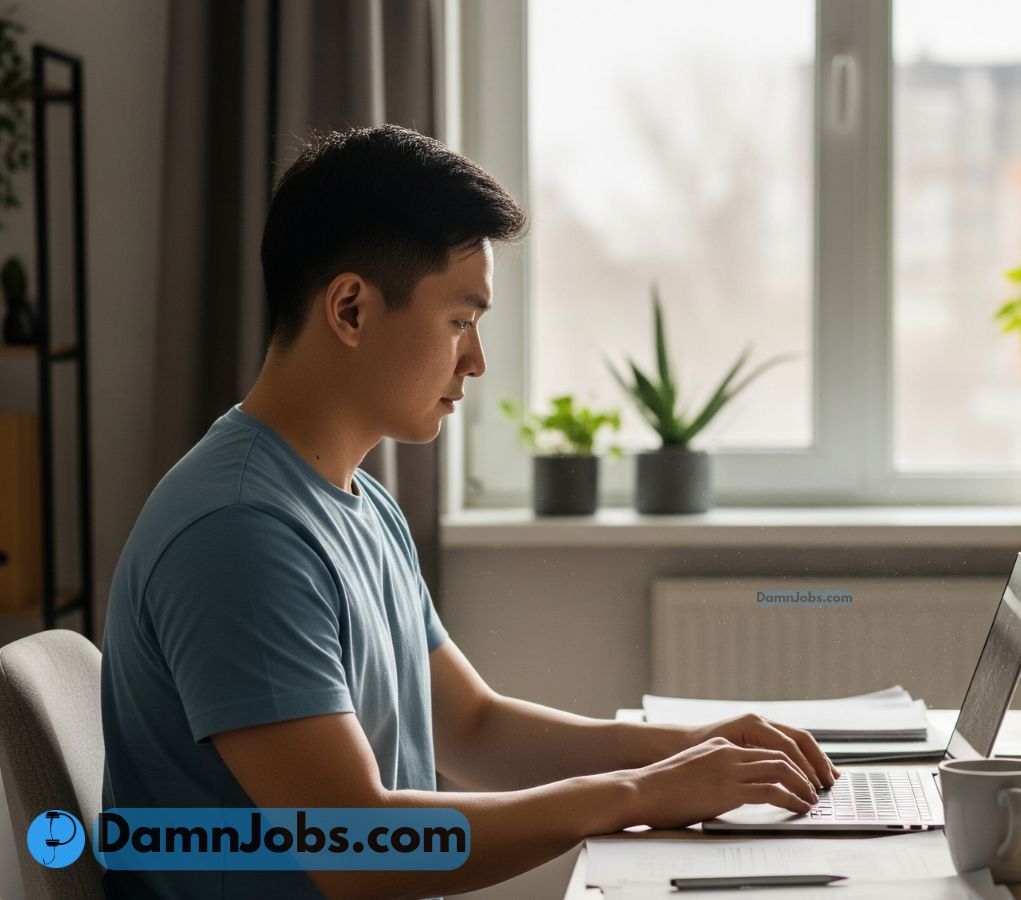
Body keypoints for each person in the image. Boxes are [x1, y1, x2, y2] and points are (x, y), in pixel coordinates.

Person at [100, 124, 838, 900]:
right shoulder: (239, 534)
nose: (476, 360)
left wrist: (690, 749)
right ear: (350, 309)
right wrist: (642, 796)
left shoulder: (355, 501)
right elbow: (358, 850)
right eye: (460, 320)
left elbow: (473, 728)